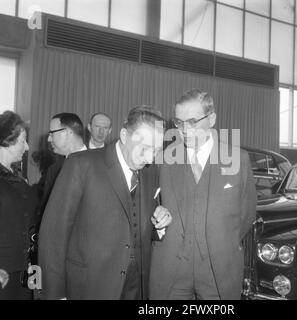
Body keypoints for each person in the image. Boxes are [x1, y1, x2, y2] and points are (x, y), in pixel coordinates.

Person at [38, 106, 172, 300]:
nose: (150, 158)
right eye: (145, 148)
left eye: (157, 150)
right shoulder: (81, 164)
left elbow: (136, 226)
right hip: (89, 287)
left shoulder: (151, 172)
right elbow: (53, 235)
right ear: (124, 136)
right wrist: (56, 295)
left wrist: (159, 224)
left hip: (136, 289)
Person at [149, 89, 257, 300]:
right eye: (179, 123)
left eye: (192, 121)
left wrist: (220, 240)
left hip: (219, 272)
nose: (185, 130)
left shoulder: (238, 160)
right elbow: (149, 209)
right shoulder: (162, 159)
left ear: (212, 119)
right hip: (172, 269)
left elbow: (246, 215)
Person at [0, 111, 38, 300]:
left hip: (25, 270)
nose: (27, 146)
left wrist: (34, 265)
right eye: (23, 141)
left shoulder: (19, 178)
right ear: (8, 140)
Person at [39, 113, 87, 217]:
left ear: (68, 132)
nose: (49, 139)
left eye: (52, 133)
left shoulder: (98, 166)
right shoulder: (54, 170)